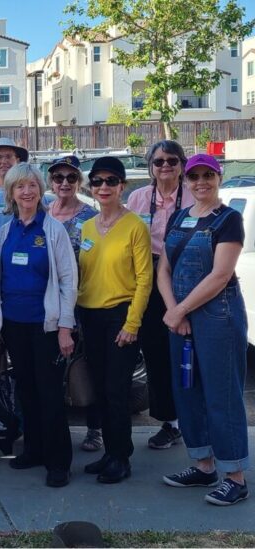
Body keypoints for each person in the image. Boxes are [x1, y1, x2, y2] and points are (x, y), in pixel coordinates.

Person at [158, 154, 250, 505]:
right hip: (179, 319)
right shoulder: (179, 217)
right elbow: (164, 269)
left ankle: (235, 477)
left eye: (207, 176)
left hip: (218, 317)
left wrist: (180, 309)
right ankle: (203, 466)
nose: (201, 182)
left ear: (218, 178)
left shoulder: (229, 220)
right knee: (188, 391)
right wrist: (173, 312)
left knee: (222, 396)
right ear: (186, 181)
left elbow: (220, 275)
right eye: (194, 176)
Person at [0, 163, 78, 488]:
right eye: (19, 187)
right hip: (14, 325)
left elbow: (69, 280)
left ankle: (59, 462)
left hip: (47, 327)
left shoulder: (53, 230)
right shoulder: (5, 232)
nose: (26, 192)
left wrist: (66, 327)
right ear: (11, 194)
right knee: (26, 391)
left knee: (50, 394)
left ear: (41, 190)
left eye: (31, 185)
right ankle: (35, 450)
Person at [77, 156, 152, 484]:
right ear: (91, 187)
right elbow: (81, 275)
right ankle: (109, 451)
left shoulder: (135, 225)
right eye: (97, 182)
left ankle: (121, 457)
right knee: (101, 390)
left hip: (120, 316)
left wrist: (132, 324)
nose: (104, 187)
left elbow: (145, 279)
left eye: (111, 181)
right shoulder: (87, 227)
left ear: (122, 186)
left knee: (117, 390)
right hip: (90, 316)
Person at [127, 140, 194, 450]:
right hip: (149, 277)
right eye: (158, 162)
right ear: (150, 167)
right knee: (156, 353)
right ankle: (171, 422)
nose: (165, 166)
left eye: (171, 160)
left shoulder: (195, 195)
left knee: (189, 352)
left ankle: (195, 418)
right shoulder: (139, 198)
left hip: (189, 276)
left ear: (182, 164)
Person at [45, 155, 103, 453]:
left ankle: (95, 428)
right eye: (58, 178)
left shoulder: (91, 216)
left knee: (86, 365)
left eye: (70, 178)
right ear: (50, 181)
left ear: (79, 181)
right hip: (48, 303)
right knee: (53, 368)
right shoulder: (43, 213)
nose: (64, 183)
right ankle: (56, 430)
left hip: (83, 302)